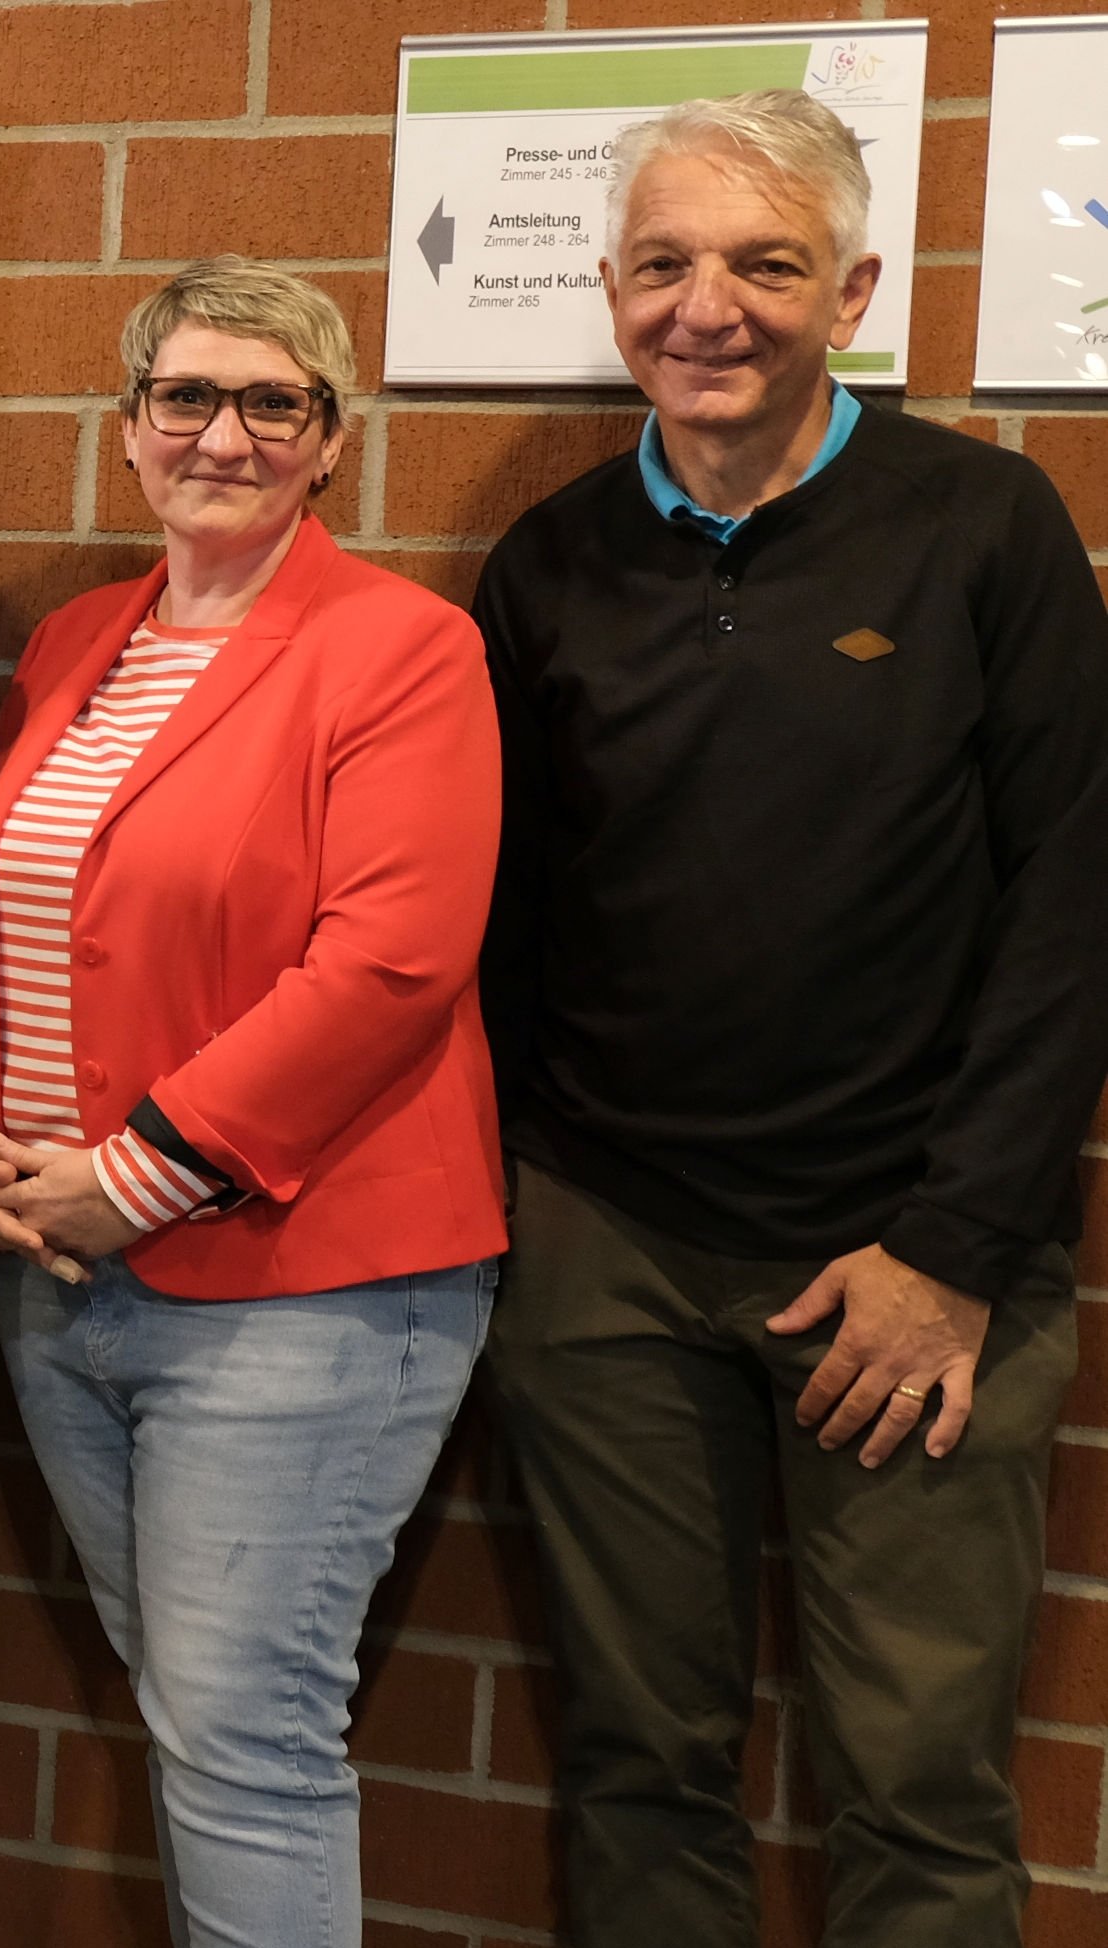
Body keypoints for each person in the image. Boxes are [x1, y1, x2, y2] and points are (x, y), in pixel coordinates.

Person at [475, 90, 1108, 1948]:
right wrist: (523, 1211)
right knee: (635, 1757)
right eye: (663, 264)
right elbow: (503, 923)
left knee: (918, 1784)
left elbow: (1074, 906)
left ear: (853, 291)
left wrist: (955, 1248)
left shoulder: (982, 525)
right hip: (606, 1257)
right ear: (610, 289)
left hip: (907, 1255)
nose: (708, 308)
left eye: (765, 264)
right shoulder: (548, 562)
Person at [0, 258, 504, 1948]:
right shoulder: (74, 644)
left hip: (303, 1284)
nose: (224, 436)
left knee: (243, 1741)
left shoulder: (403, 649)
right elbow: (16, 915)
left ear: (332, 440)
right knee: (195, 1718)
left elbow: (388, 964)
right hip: (59, 1272)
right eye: (186, 396)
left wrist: (141, 1174)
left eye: (273, 403)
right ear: (128, 427)